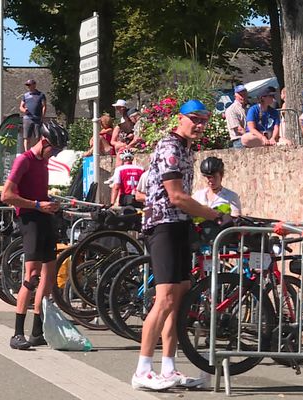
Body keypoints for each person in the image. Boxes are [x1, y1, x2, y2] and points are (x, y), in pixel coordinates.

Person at [132, 100, 226, 390]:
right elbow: (176, 196)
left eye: (203, 121)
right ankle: (142, 370)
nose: (199, 125)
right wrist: (215, 215)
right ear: (180, 118)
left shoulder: (186, 148)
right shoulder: (170, 148)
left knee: (179, 300)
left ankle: (169, 367)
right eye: (194, 119)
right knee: (165, 300)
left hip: (180, 225)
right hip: (163, 226)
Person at [0, 121, 69, 350]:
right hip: (29, 220)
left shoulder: (44, 162)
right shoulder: (24, 160)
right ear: (44, 142)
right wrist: (38, 205)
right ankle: (17, 333)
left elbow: (38, 191)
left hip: (44, 218)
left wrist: (51, 202)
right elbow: (6, 195)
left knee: (49, 276)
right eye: (54, 150)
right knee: (31, 276)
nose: (55, 155)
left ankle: (37, 331)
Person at [20, 79, 47, 151]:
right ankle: (26, 152)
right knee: (26, 137)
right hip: (27, 118)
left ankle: (37, 151)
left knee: (37, 137)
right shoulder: (25, 95)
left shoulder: (41, 95)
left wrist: (42, 116)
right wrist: (24, 110)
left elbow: (44, 106)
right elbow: (21, 106)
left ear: (34, 85)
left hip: (37, 118)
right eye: (27, 85)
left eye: (29, 85)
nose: (28, 87)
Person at [225, 84, 249, 149]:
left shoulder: (247, 108)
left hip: (249, 139)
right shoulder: (231, 110)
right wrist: (252, 136)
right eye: (241, 94)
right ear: (235, 96)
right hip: (239, 141)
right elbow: (238, 129)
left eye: (245, 94)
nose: (243, 96)